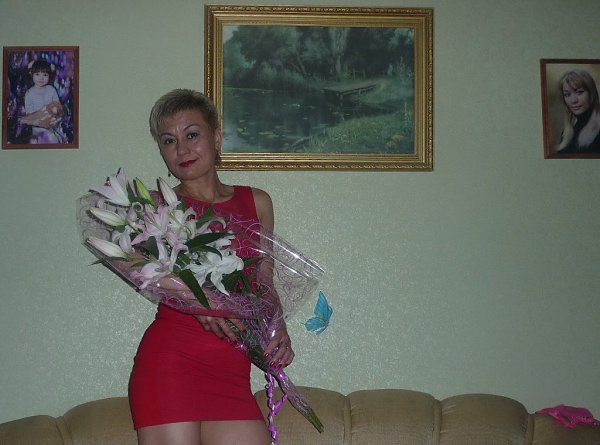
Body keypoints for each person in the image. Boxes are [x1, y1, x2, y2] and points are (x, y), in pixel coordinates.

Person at [128, 89, 294, 445]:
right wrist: (200, 299)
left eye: (192, 134)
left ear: (216, 138)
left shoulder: (257, 201)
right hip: (171, 363)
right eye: (169, 140)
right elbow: (133, 264)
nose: (182, 149)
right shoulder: (155, 207)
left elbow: (263, 278)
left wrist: (275, 325)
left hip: (232, 370)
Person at [557, 69, 600, 153]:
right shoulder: (567, 132)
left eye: (579, 92)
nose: (573, 100)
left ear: (591, 94)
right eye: (567, 94)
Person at [21, 59, 63, 144]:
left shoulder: (51, 90)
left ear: (49, 76)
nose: (41, 78)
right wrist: (40, 120)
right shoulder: (29, 93)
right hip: (38, 130)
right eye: (37, 74)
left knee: (57, 140)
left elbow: (58, 107)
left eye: (45, 75)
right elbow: (29, 114)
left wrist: (55, 117)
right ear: (31, 74)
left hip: (53, 126)